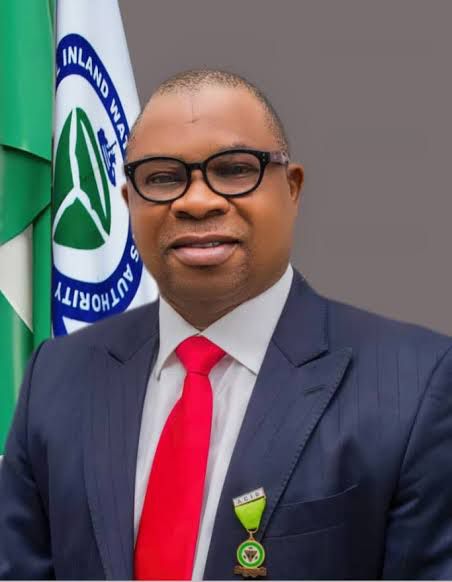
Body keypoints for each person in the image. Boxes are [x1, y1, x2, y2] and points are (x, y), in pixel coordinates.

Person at [1, 69, 452, 581]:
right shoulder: (56, 376)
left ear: (292, 188)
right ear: (129, 202)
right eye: (162, 178)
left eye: (236, 170)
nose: (196, 202)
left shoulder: (418, 385)